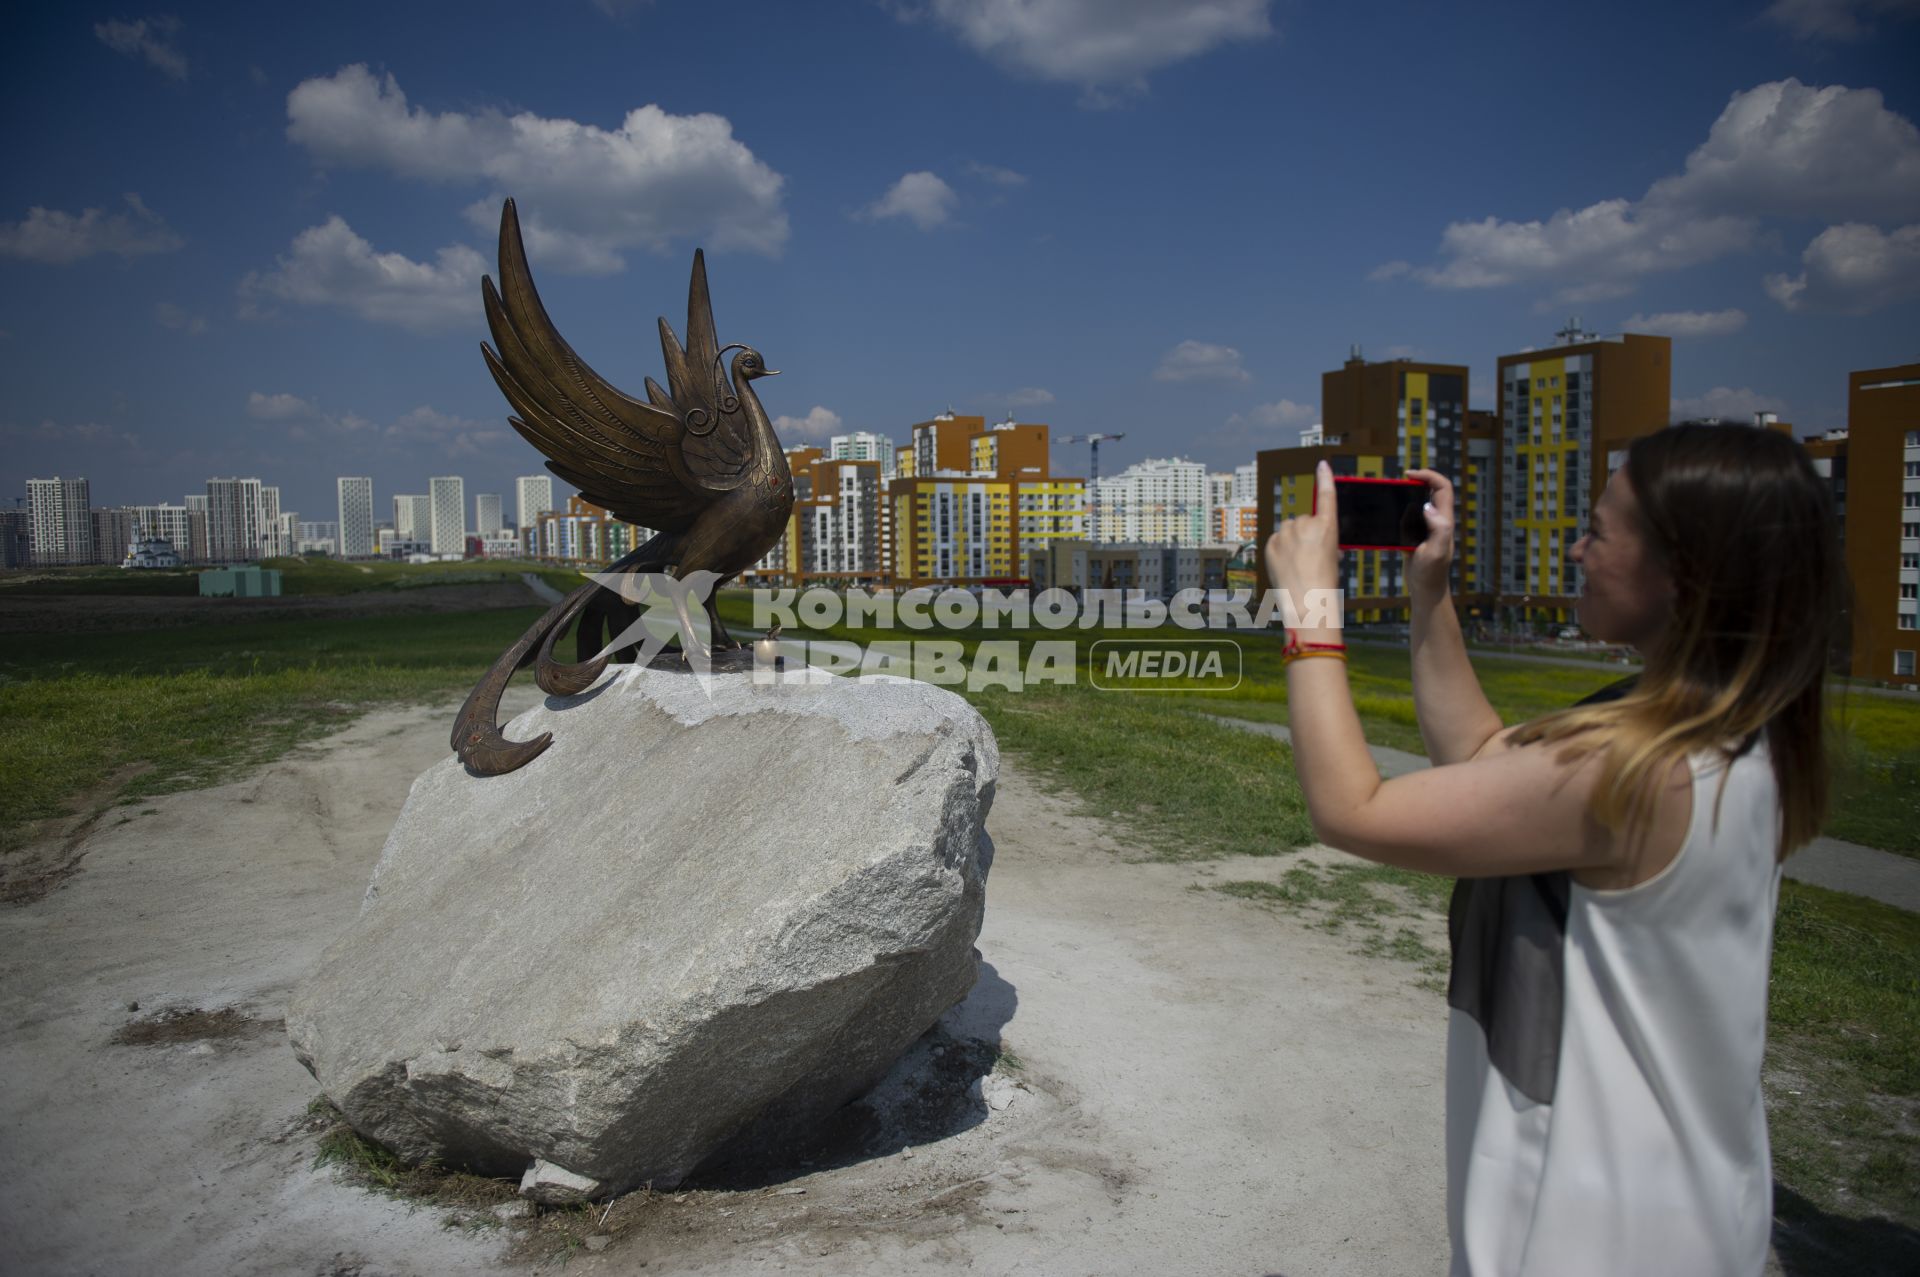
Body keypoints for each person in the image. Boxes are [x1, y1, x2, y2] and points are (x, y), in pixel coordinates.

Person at [1262, 425, 1844, 1277]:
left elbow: (1354, 809)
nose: (1575, 548)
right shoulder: (1719, 732)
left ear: (1685, 571)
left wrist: (1311, 607)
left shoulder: (1641, 770)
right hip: (1681, 1202)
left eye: (1601, 531)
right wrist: (1433, 594)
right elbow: (1483, 758)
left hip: (1601, 1226)